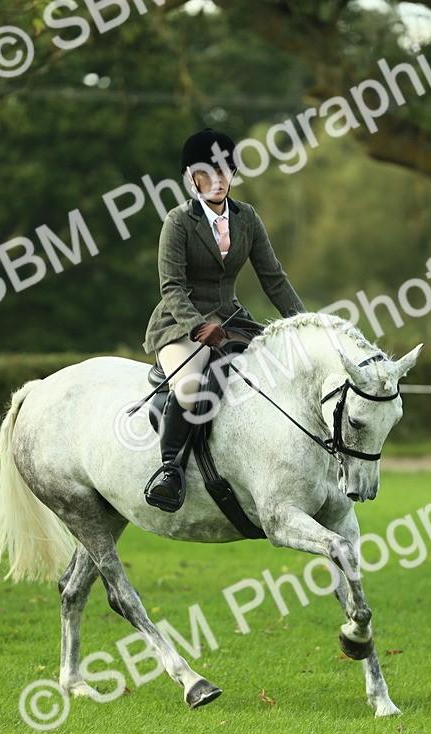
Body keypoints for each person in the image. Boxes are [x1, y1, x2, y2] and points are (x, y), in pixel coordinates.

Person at [142, 128, 307, 512]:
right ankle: (170, 471)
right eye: (207, 173)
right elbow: (172, 288)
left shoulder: (247, 218)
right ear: (191, 178)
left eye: (225, 171)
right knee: (190, 387)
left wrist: (305, 325)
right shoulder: (178, 222)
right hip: (179, 324)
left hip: (232, 319)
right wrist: (199, 327)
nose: (218, 180)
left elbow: (274, 279)